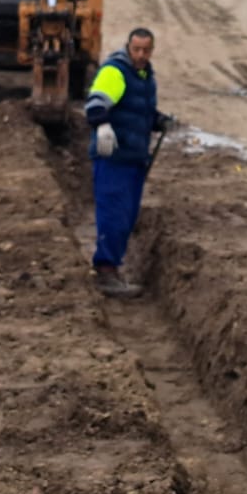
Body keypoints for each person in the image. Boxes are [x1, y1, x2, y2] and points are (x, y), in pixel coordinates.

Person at [83, 28, 171, 297]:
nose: (142, 55)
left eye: (146, 50)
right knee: (114, 214)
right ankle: (106, 272)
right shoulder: (116, 71)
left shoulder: (144, 76)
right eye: (137, 49)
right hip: (114, 157)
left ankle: (112, 267)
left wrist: (158, 120)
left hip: (134, 158)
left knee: (127, 215)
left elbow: (136, 109)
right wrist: (103, 126)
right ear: (128, 47)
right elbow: (95, 104)